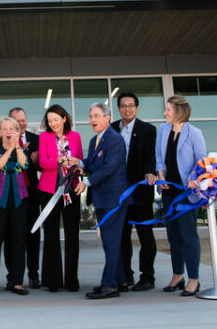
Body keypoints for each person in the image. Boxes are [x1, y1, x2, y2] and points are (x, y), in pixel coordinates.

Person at [73, 103, 128, 300]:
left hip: (114, 198)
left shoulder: (114, 139)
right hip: (103, 198)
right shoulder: (96, 139)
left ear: (107, 117)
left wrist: (86, 181)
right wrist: (79, 163)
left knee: (110, 243)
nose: (92, 120)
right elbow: (92, 163)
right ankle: (120, 280)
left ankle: (110, 285)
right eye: (90, 116)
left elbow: (109, 168)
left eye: (96, 115)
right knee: (110, 242)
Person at [156, 95, 206, 296]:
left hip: (186, 194)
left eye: (168, 109)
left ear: (179, 111)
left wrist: (194, 178)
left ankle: (194, 279)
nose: (165, 113)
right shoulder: (163, 129)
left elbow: (201, 161)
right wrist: (160, 173)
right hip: (168, 192)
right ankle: (178, 275)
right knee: (173, 236)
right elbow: (159, 155)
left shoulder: (194, 133)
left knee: (188, 237)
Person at [111, 93, 157, 292]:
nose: (127, 109)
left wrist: (150, 172)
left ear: (136, 108)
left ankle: (147, 276)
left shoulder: (147, 130)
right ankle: (125, 275)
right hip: (119, 192)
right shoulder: (111, 128)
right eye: (123, 106)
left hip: (140, 190)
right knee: (122, 236)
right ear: (118, 108)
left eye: (131, 105)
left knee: (145, 235)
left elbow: (151, 155)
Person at [38, 104, 83, 292]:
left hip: (71, 190)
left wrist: (77, 164)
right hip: (49, 191)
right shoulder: (44, 137)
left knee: (72, 235)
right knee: (51, 235)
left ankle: (72, 280)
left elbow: (80, 160)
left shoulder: (75, 136)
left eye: (56, 119)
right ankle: (52, 280)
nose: (53, 123)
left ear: (64, 119)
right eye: (49, 121)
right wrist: (56, 160)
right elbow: (42, 162)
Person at [0, 117, 29, 297]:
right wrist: (9, 148)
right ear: (0, 131)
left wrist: (16, 146)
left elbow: (24, 164)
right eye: (5, 128)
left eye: (13, 128)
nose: (9, 131)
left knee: (18, 242)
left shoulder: (21, 149)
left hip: (19, 200)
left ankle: (17, 281)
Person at [4, 107, 40, 289]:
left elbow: (43, 165)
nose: (22, 123)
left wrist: (37, 162)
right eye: (18, 121)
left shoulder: (36, 140)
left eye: (24, 119)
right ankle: (13, 276)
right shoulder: (4, 140)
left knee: (32, 236)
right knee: (12, 238)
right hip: (11, 196)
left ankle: (34, 274)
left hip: (31, 195)